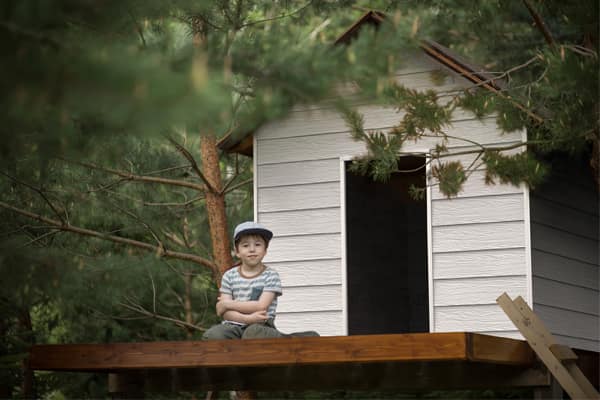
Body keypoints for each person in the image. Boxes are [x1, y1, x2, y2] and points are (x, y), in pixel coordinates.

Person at [202, 221, 285, 340]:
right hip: (234, 325)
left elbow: (261, 306)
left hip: (261, 325)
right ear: (237, 252)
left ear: (265, 250)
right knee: (213, 335)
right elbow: (225, 313)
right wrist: (247, 319)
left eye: (257, 245)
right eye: (245, 245)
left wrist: (226, 304)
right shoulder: (229, 276)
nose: (252, 249)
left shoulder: (271, 275)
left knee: (253, 333)